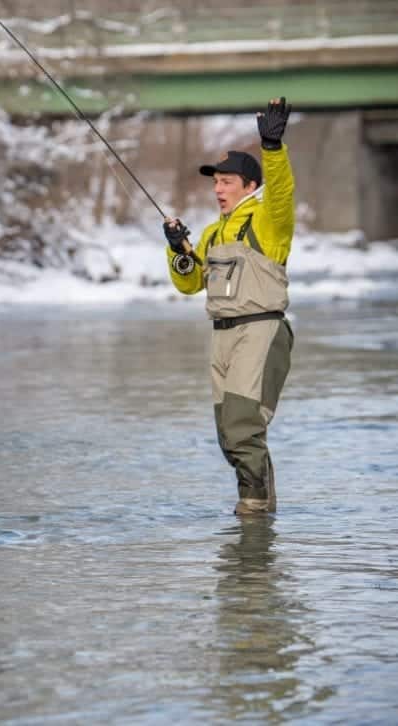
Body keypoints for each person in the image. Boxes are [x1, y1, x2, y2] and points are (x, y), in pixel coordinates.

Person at [163, 98, 295, 516]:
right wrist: (177, 250)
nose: (218, 189)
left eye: (226, 182)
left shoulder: (268, 221)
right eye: (215, 182)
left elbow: (283, 192)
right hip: (222, 334)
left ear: (249, 186)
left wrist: (271, 147)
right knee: (229, 433)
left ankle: (254, 508)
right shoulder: (210, 233)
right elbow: (188, 283)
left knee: (242, 427)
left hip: (260, 329)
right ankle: (257, 503)